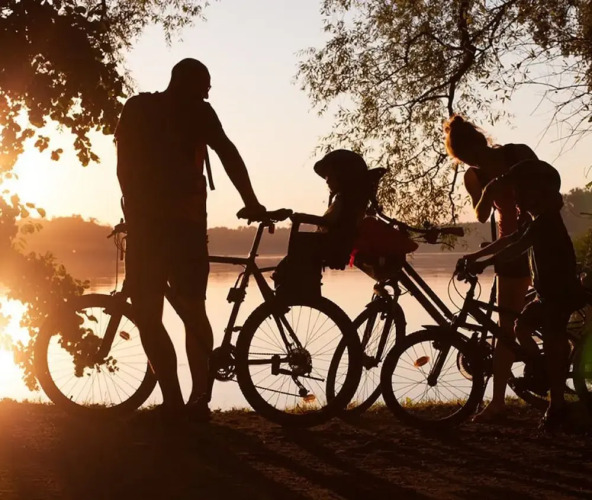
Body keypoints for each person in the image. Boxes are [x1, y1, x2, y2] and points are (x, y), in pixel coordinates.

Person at [115, 58, 265, 421]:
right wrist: (250, 201)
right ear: (189, 83)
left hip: (149, 228)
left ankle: (176, 403)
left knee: (149, 314)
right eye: (205, 87)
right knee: (191, 311)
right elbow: (228, 152)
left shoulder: (137, 108)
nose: (207, 94)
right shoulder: (199, 113)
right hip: (187, 227)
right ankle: (199, 402)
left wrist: (132, 213)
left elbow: (123, 167)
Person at [461, 159, 583, 429]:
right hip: (544, 294)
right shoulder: (535, 220)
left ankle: (557, 405)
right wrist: (476, 256)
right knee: (521, 327)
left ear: (537, 194)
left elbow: (517, 248)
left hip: (558, 295)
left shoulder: (545, 223)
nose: (515, 199)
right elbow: (511, 239)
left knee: (551, 342)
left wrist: (484, 264)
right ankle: (539, 369)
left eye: (520, 192)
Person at [444, 114, 539, 422]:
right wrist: (486, 192)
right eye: (464, 159)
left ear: (481, 143)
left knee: (532, 322)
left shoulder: (517, 154)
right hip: (508, 250)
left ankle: (542, 376)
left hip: (536, 241)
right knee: (505, 327)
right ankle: (498, 401)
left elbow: (545, 187)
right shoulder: (474, 176)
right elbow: (482, 214)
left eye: (472, 155)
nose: (472, 162)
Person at [273, 150, 372, 298]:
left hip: (329, 243)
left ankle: (286, 291)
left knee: (292, 258)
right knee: (288, 263)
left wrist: (301, 217)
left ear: (342, 176)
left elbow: (329, 222)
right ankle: (285, 289)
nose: (326, 180)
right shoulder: (349, 200)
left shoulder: (345, 202)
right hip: (330, 241)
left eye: (329, 176)